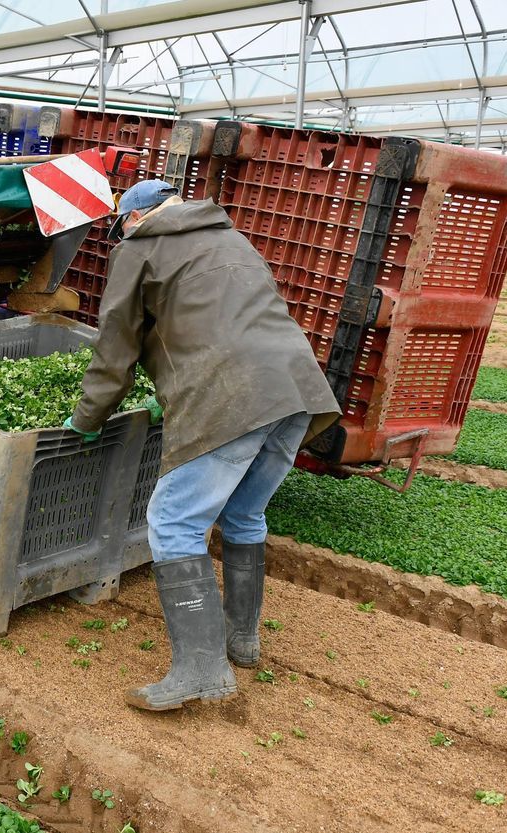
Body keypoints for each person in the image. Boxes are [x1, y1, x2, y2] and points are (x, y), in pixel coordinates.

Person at [63, 179, 341, 712]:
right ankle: (242, 641)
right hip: (296, 390)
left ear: (135, 218)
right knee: (243, 514)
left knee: (173, 523)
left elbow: (114, 348)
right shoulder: (231, 239)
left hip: (231, 397)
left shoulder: (138, 249)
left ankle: (199, 670)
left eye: (123, 225)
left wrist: (88, 417)